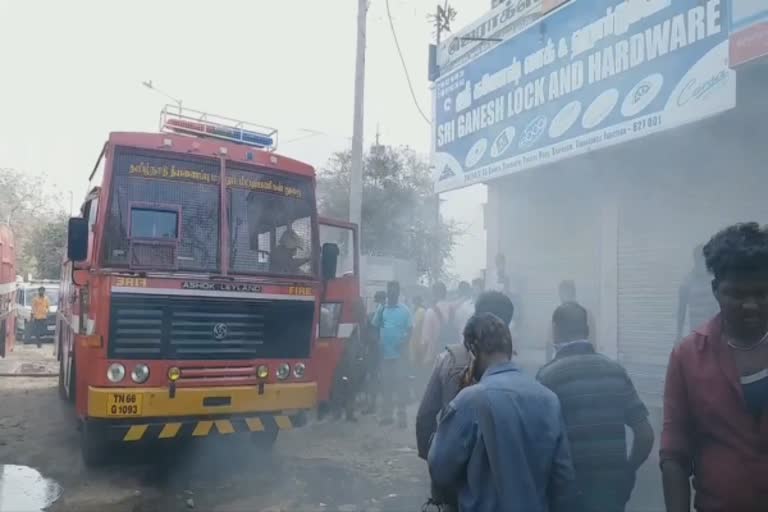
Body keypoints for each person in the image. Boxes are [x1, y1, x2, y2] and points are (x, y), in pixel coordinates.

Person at [661, 222, 768, 512]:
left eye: (761, 293)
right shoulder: (687, 356)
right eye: (737, 294)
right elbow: (674, 453)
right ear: (715, 290)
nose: (751, 305)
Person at [428, 313, 576, 512]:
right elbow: (563, 479)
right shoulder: (549, 399)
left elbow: (440, 471)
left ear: (473, 351)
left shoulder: (469, 401)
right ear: (509, 350)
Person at [538, 302, 654, 512]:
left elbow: (540, 443)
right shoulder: (615, 371)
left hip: (569, 494)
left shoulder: (547, 377)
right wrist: (628, 471)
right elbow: (645, 435)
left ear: (555, 330)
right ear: (588, 331)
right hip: (612, 492)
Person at [416, 291, 515, 460]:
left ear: (476, 315)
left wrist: (433, 457)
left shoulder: (448, 359)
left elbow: (425, 415)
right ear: (507, 324)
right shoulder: (513, 367)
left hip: (453, 461)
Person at [371, 281, 412, 428]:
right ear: (387, 293)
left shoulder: (405, 310)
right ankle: (387, 416)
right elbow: (374, 327)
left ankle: (402, 418)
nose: (391, 294)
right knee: (386, 386)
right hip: (385, 355)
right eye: (390, 291)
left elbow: (410, 330)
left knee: (401, 386)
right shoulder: (382, 310)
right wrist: (378, 342)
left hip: (400, 356)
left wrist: (404, 342)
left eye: (394, 292)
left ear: (398, 293)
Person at [676, 244, 720, 343]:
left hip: (716, 333)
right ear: (696, 260)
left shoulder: (717, 279)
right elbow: (681, 311)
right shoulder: (687, 283)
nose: (704, 262)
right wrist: (678, 336)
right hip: (696, 332)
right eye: (701, 259)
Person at [547, 280, 598, 360]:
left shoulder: (557, 313)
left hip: (562, 361)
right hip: (584, 358)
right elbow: (593, 341)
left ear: (560, 294)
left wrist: (548, 364)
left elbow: (550, 342)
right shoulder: (587, 313)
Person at [362, 291, 387, 415]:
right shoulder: (387, 313)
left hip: (375, 350)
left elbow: (367, 335)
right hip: (382, 350)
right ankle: (380, 406)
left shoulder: (372, 315)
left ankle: (373, 405)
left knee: (374, 378)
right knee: (380, 377)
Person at [421, 282, 455, 364]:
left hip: (434, 356)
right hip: (451, 354)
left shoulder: (430, 311)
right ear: (445, 293)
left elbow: (426, 338)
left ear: (433, 294)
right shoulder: (452, 309)